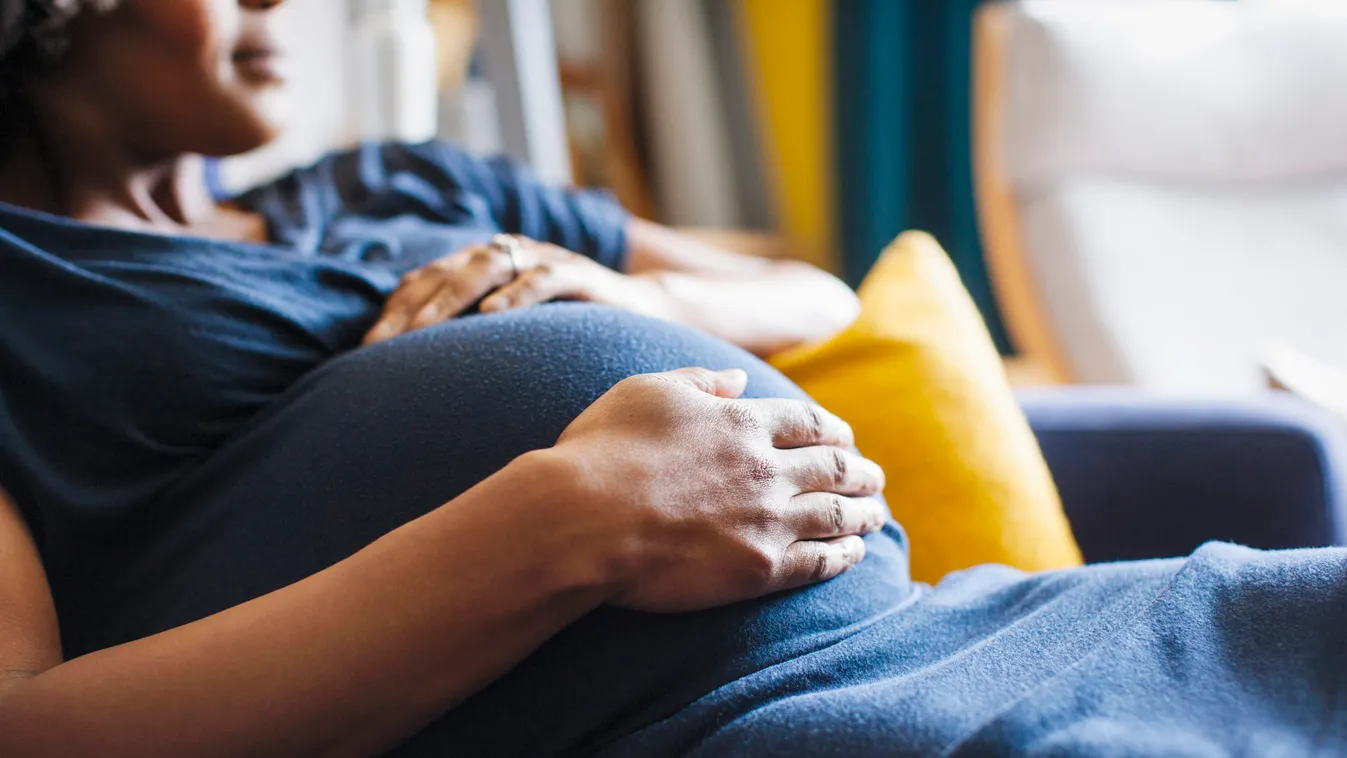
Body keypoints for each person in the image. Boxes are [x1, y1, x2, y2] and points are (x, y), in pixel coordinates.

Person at [0, 2, 1344, 757]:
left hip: (951, 629)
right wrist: (566, 521)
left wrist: (638, 301)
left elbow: (814, 293)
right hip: (716, 724)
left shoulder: (401, 179)